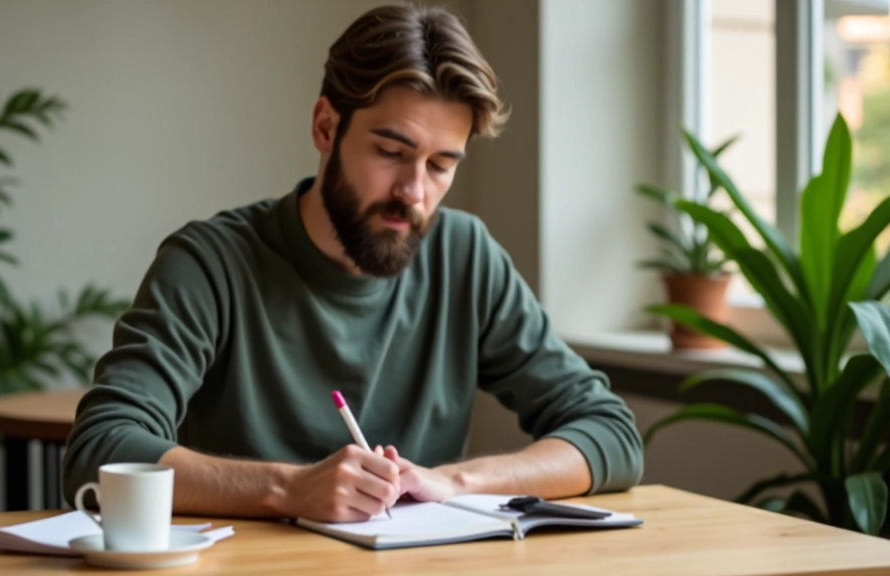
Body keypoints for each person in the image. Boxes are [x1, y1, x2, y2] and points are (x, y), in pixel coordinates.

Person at [62, 3, 642, 523]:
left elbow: (610, 433)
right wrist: (288, 489)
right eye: (391, 152)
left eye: (441, 165)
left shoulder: (465, 257)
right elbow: (99, 450)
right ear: (325, 126)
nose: (414, 191)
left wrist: (455, 483)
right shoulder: (210, 263)